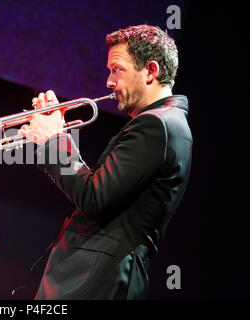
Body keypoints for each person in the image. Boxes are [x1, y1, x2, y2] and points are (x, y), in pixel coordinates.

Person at [18, 25, 192, 299]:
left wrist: (54, 141)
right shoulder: (162, 123)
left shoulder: (157, 125)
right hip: (92, 277)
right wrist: (52, 141)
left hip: (96, 281)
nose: (109, 82)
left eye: (117, 69)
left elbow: (93, 197)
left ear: (151, 71)